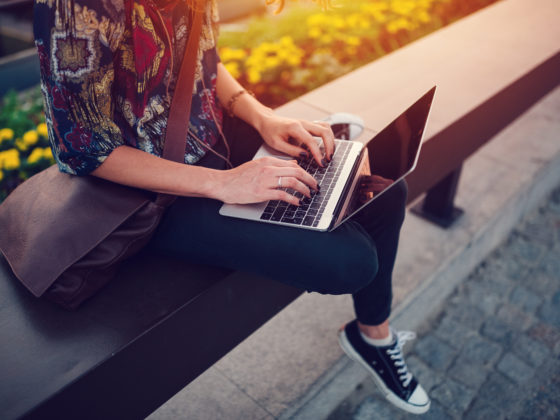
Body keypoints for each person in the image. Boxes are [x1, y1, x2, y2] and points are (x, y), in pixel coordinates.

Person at [33, 0, 430, 414]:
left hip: (212, 135)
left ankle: (374, 338)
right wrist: (223, 184)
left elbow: (203, 57)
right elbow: (81, 150)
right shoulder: (78, 7)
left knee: (382, 190)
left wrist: (262, 117)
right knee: (353, 262)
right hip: (152, 192)